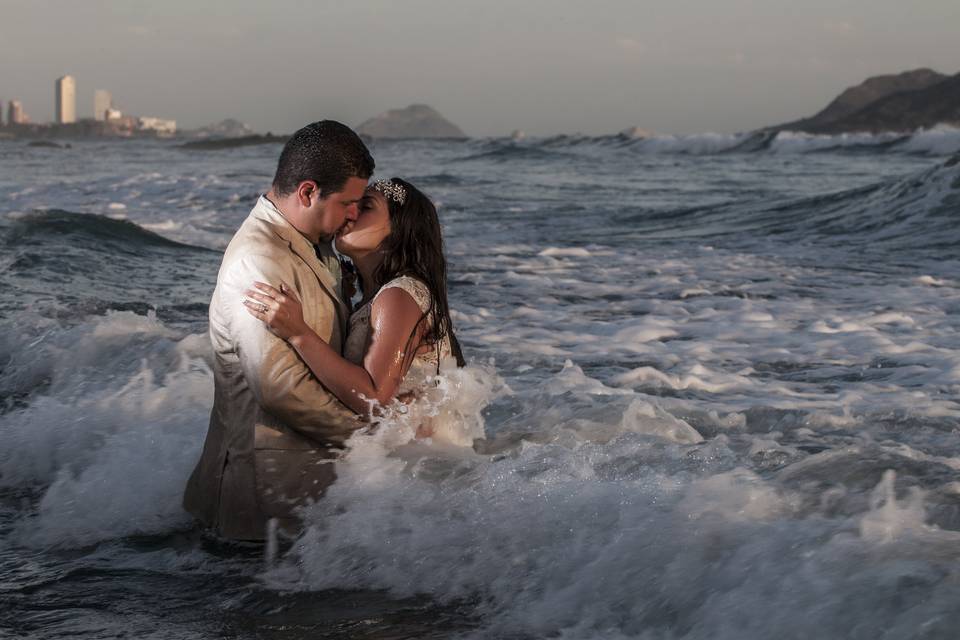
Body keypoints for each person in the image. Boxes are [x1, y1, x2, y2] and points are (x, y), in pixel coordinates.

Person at [182, 120, 374, 541]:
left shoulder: (311, 241)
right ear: (308, 191)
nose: (354, 214)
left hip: (294, 488)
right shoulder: (259, 261)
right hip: (257, 494)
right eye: (349, 202)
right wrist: (373, 438)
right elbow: (280, 389)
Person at [242, 177, 465, 429]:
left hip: (415, 463)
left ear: (399, 229)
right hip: (403, 459)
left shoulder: (399, 296)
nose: (351, 213)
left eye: (366, 206)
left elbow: (376, 400)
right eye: (351, 203)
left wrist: (298, 333)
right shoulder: (378, 297)